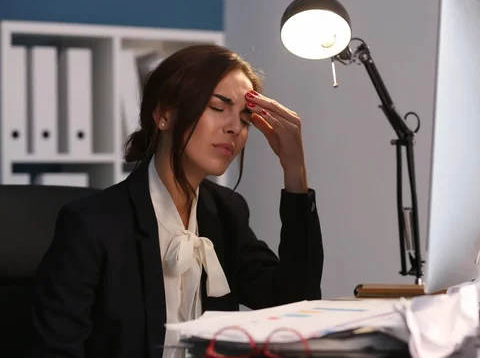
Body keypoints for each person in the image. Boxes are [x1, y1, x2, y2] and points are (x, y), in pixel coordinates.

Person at [30, 45, 324, 358]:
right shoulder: (92, 224)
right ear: (164, 115)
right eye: (217, 107)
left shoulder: (226, 213)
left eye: (245, 117)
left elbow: (296, 302)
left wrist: (295, 173)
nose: (234, 127)